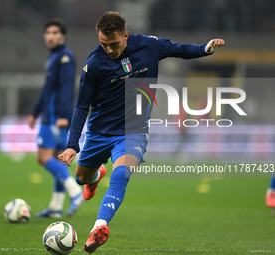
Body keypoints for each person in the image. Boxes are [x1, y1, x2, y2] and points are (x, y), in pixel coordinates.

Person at [58, 11, 225, 254]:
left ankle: (99, 227)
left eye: (113, 44)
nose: (109, 50)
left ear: (125, 35)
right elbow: (82, 105)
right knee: (81, 178)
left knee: (121, 174)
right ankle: (94, 177)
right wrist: (73, 144)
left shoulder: (149, 45)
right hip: (99, 132)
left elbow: (179, 49)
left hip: (133, 131)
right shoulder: (93, 64)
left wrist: (205, 49)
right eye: (103, 44)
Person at [27, 18, 84, 218]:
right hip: (51, 114)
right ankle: (55, 207)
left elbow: (67, 87)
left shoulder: (64, 57)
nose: (51, 37)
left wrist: (61, 115)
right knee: (59, 160)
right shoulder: (54, 57)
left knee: (43, 158)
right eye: (48, 33)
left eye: (55, 33)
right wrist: (35, 112)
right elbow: (47, 88)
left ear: (63, 36)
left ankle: (75, 192)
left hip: (54, 116)